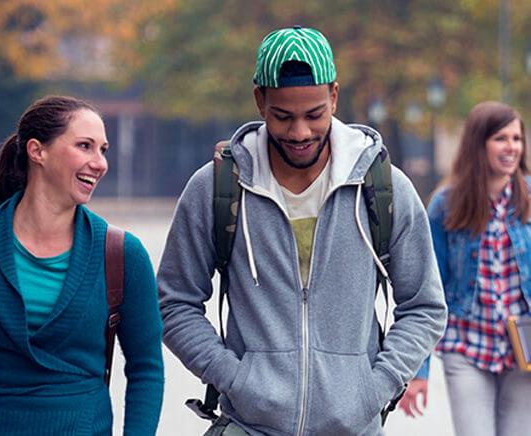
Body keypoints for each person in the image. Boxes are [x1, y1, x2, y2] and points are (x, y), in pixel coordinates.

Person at [157, 26, 447, 436]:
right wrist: (234, 378)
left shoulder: (383, 188)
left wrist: (374, 387)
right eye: (283, 116)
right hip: (249, 425)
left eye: (314, 114)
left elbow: (425, 306)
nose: (299, 132)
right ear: (260, 100)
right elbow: (174, 303)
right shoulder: (215, 188)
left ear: (333, 96)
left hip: (354, 426)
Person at [0, 95, 164, 435]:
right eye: (85, 146)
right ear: (37, 150)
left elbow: (146, 369)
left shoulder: (121, 254)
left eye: (103, 150)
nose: (100, 163)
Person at [399, 101, 531, 436]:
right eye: (501, 138)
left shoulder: (529, 199)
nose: (512, 147)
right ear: (479, 143)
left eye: (517, 139)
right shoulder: (447, 205)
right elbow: (428, 289)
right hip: (467, 347)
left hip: (524, 353)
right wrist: (419, 370)